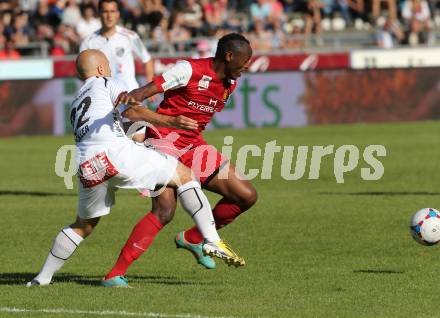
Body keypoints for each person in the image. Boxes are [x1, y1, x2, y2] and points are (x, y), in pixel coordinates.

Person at [26, 49, 245, 288]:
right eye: (108, 64)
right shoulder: (107, 82)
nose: (110, 68)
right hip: (115, 154)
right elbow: (129, 108)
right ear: (100, 69)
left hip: (87, 164)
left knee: (83, 225)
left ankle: (42, 278)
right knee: (184, 175)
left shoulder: (77, 101)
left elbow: (110, 125)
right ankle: (211, 239)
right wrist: (170, 121)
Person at [103, 33, 257, 285]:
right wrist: (133, 106)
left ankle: (194, 238)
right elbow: (139, 96)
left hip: (193, 146)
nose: (248, 65)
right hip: (161, 144)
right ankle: (114, 274)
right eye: (245, 59)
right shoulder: (188, 70)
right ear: (229, 56)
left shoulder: (230, 83)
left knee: (246, 195)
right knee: (164, 211)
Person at [80, 0, 155, 142]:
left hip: (129, 97)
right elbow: (81, 72)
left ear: (118, 14)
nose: (109, 16)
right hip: (105, 101)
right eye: (105, 11)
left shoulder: (129, 36)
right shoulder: (89, 42)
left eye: (112, 11)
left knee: (138, 139)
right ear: (99, 14)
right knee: (112, 144)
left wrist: (149, 85)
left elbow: (147, 59)